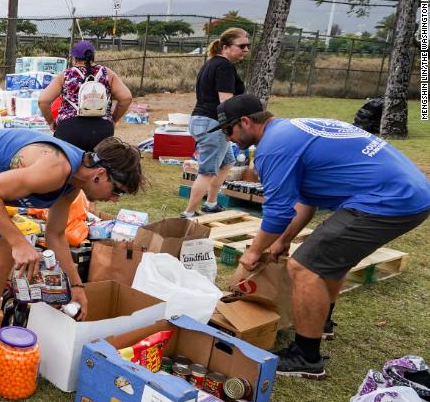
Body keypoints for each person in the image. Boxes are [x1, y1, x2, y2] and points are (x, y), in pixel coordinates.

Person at [216, 94, 430, 378]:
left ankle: (306, 356)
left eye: (227, 131)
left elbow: (278, 214)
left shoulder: (272, 148)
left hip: (387, 200)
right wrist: (283, 241)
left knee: (304, 267)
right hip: (408, 193)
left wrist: (253, 253)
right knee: (330, 260)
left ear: (245, 122)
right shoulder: (291, 131)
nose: (228, 139)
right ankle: (322, 324)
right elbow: (305, 204)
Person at [0, 130, 143, 325]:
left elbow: (55, 235)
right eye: (117, 191)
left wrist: (77, 286)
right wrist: (18, 243)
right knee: (2, 254)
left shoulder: (72, 184)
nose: (114, 199)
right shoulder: (56, 170)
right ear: (100, 174)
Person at [181, 27, 250, 218]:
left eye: (248, 46)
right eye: (241, 46)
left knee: (227, 162)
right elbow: (226, 102)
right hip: (214, 123)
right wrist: (238, 125)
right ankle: (189, 213)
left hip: (204, 121)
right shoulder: (224, 66)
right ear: (226, 47)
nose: (246, 50)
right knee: (207, 172)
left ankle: (211, 203)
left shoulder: (213, 63)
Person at [39, 40, 132, 151]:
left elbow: (43, 101)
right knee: (99, 165)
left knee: (69, 165)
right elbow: (126, 98)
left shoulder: (66, 74)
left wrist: (51, 121)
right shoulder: (107, 73)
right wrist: (113, 120)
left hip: (70, 129)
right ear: (93, 57)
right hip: (102, 130)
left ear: (73, 58)